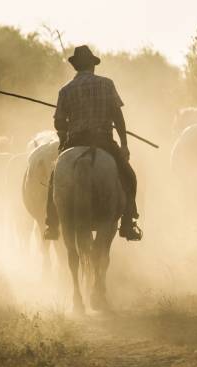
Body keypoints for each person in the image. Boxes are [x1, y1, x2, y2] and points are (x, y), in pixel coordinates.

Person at [44, 45, 142, 241]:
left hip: (75, 142)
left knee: (53, 180)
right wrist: (124, 144)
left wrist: (64, 140)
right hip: (104, 141)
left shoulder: (65, 90)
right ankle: (128, 222)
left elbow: (59, 122)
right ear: (92, 65)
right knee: (129, 177)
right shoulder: (106, 84)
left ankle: (52, 225)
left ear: (76, 67)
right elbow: (118, 116)